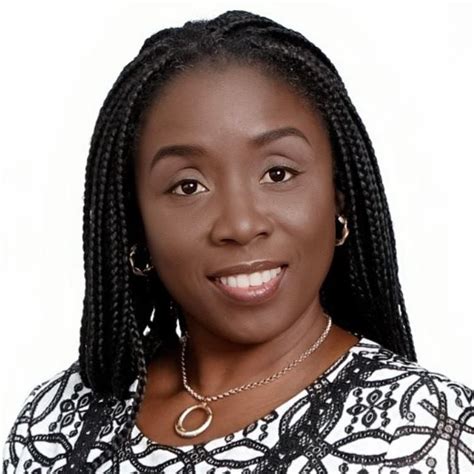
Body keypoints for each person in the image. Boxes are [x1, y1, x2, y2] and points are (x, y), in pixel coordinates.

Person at [3, 9, 472, 474]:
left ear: (339, 199)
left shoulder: (427, 433)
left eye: (278, 173)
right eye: (188, 186)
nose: (241, 224)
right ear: (136, 224)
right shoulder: (56, 420)